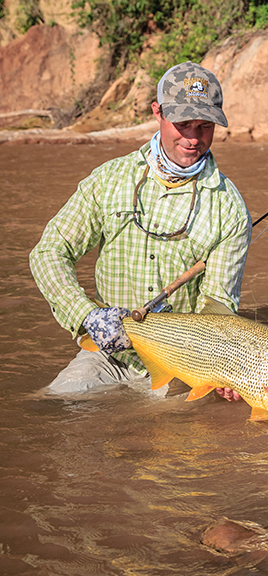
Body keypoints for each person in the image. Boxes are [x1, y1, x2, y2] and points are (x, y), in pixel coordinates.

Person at [30, 62, 252, 398]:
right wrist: (87, 316)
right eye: (182, 124)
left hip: (181, 364)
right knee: (57, 404)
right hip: (107, 353)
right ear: (157, 112)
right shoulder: (108, 179)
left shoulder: (231, 209)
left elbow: (218, 306)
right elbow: (49, 253)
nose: (193, 138)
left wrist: (222, 369)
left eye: (204, 126)